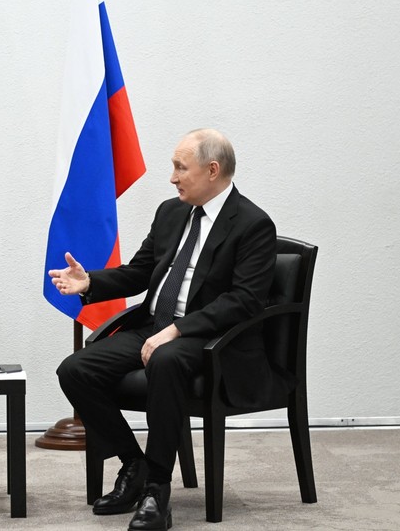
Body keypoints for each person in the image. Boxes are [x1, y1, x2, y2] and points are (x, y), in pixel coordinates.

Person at [50, 128, 286, 531]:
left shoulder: (252, 224)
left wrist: (178, 331)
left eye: (180, 167)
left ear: (212, 170)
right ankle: (134, 464)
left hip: (211, 341)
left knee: (166, 359)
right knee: (75, 370)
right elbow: (141, 272)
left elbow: (244, 300)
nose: (173, 177)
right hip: (154, 328)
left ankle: (158, 490)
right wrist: (90, 282)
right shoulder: (171, 212)